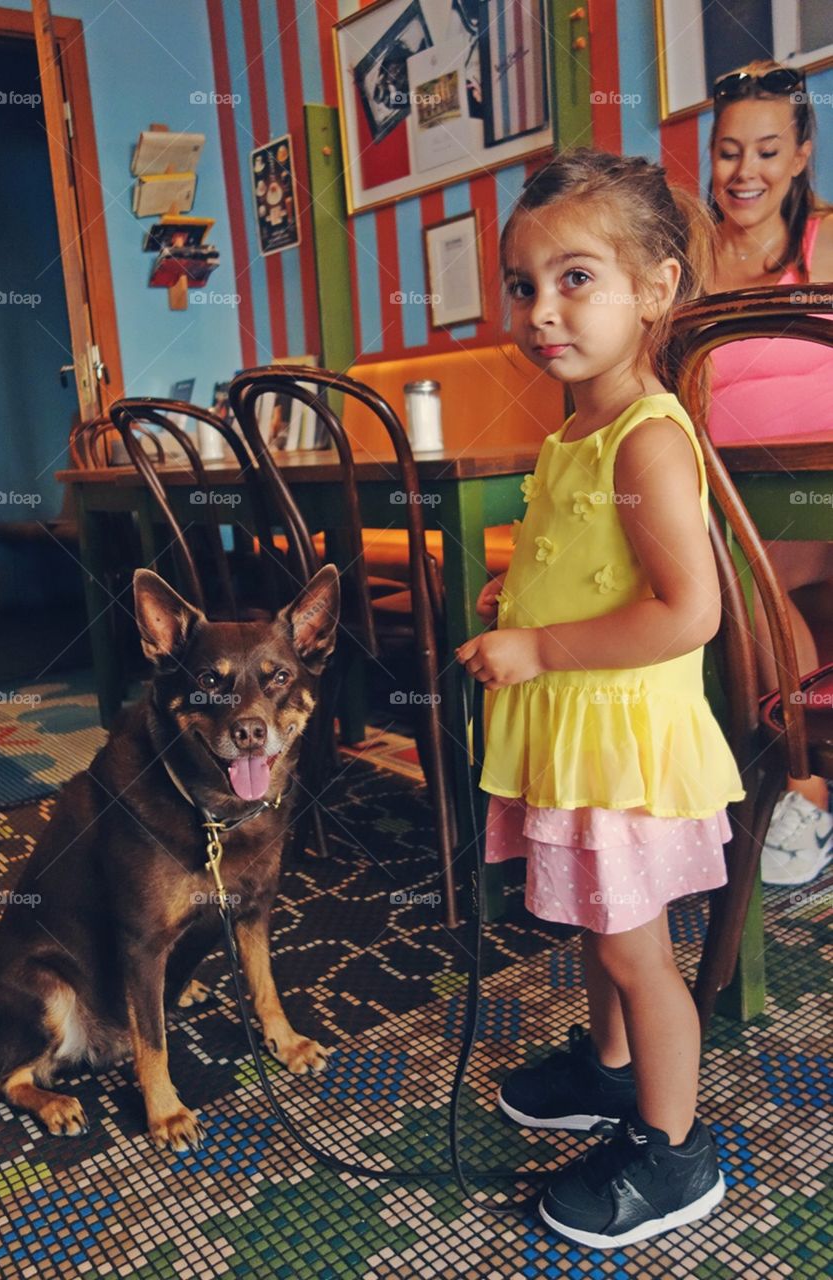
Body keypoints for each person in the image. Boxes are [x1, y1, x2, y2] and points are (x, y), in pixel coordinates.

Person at [455, 149, 744, 1249]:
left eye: (575, 278)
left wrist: (537, 641)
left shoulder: (648, 435)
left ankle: (671, 1150)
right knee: (593, 925)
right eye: (522, 284)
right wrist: (518, 591)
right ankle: (608, 1066)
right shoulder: (575, 428)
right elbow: (598, 567)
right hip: (576, 739)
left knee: (636, 951)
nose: (540, 310)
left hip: (620, 748)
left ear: (655, 289)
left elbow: (685, 612)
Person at [707, 59, 833, 886]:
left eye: (763, 151)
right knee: (727, 569)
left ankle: (800, 788)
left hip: (820, 486)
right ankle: (795, 785)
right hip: (720, 488)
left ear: (798, 153)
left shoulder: (826, 238)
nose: (743, 172)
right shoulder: (690, 251)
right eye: (725, 152)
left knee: (745, 572)